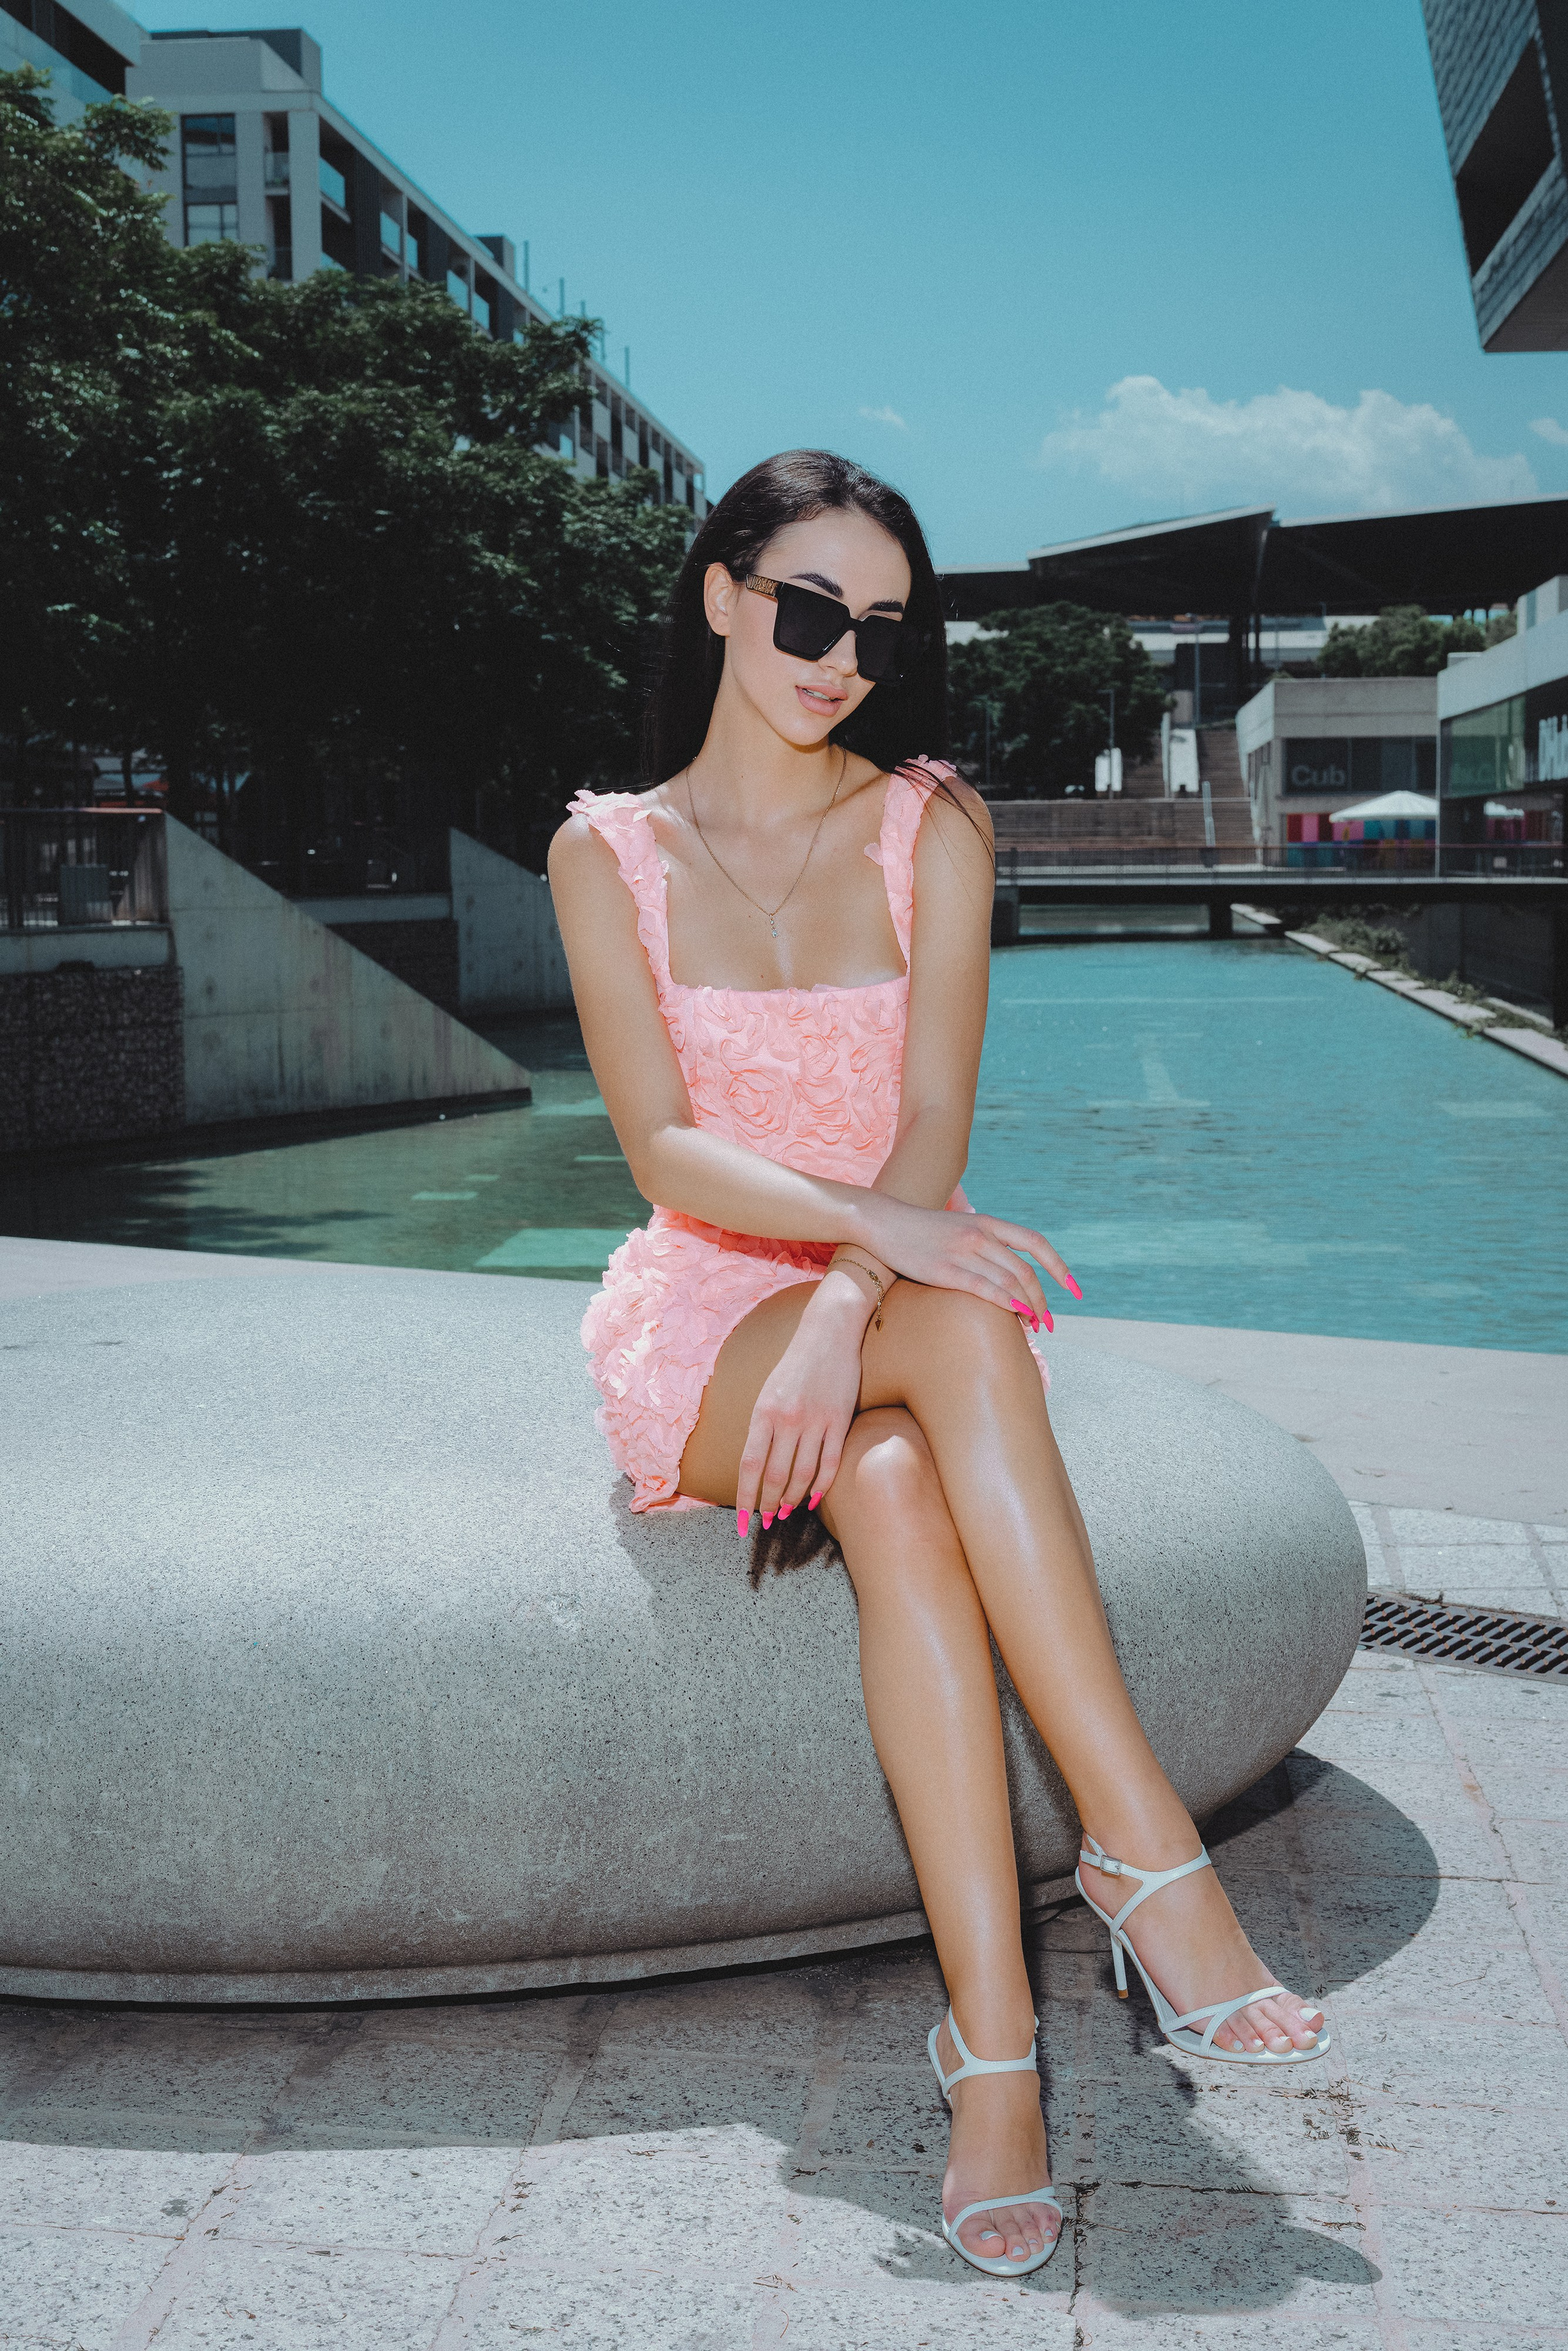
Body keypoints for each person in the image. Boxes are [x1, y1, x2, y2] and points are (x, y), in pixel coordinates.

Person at [548, 450, 1326, 2281]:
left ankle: (998, 2064)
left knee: (902, 1472)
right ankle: (1150, 1865)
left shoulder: (932, 823)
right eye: (806, 611)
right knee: (968, 1317)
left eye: (877, 630)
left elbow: (933, 1121)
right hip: (702, 1315)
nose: (838, 658)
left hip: (873, 1293)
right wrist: (843, 1280)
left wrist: (844, 1304)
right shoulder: (609, 851)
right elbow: (662, 1149)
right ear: (723, 594)